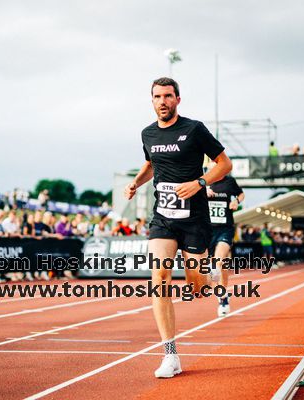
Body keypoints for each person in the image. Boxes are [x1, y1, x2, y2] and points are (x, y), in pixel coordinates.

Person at [124, 77, 232, 378]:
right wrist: (135, 182)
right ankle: (170, 355)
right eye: (157, 96)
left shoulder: (194, 129)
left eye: (168, 96)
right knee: (158, 276)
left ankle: (209, 276)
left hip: (194, 219)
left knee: (196, 288)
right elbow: (151, 165)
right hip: (163, 218)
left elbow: (224, 164)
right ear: (152, 100)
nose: (162, 101)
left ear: (178, 99)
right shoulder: (147, 134)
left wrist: (199, 183)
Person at [206, 163, 244, 316]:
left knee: (219, 261)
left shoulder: (230, 181)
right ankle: (222, 296)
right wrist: (204, 190)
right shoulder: (204, 181)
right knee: (214, 271)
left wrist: (236, 201)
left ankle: (223, 296)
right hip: (207, 229)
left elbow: (241, 194)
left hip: (225, 227)